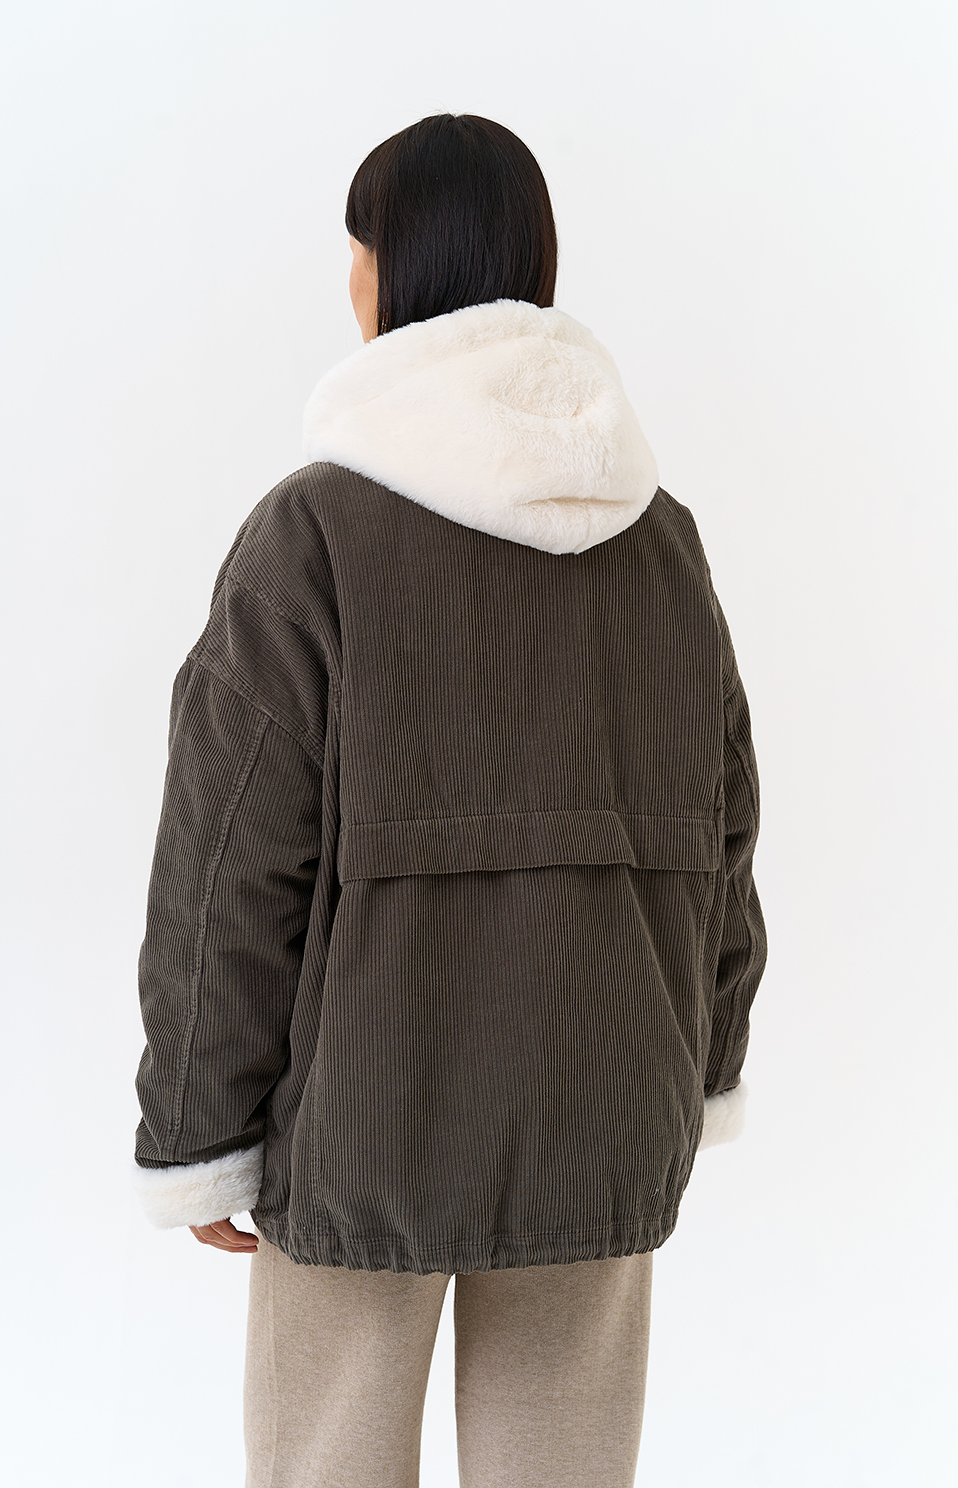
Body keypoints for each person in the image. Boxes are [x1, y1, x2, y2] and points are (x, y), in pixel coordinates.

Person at [131, 112, 767, 1488]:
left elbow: (230, 865)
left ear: (391, 269)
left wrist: (200, 1132)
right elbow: (723, 837)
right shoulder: (662, 542)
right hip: (608, 1101)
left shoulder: (317, 534)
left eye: (356, 253)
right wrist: (700, 1061)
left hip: (369, 1119)